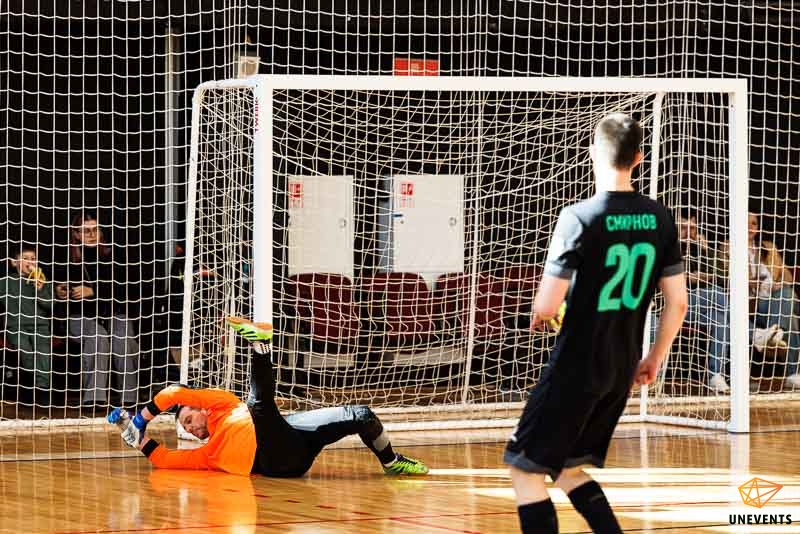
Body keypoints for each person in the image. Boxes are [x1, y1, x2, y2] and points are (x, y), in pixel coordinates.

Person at [504, 113, 688, 533]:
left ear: (592, 153)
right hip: (620, 367)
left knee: (524, 469)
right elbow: (678, 303)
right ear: (638, 158)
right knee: (568, 469)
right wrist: (653, 358)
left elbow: (546, 306)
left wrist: (542, 312)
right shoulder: (660, 218)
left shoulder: (580, 216)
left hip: (576, 366)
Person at [115, 317, 430, 478]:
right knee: (259, 407)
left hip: (290, 436)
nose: (191, 429)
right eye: (186, 429)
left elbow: (174, 393)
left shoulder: (226, 405)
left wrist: (141, 418)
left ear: (202, 409)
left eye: (188, 419)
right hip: (272, 461)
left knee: (361, 415)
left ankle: (392, 463)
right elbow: (164, 459)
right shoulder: (208, 455)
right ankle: (261, 347)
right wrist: (133, 434)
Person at [677, 214, 789, 392]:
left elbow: (721, 277)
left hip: (702, 306)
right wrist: (688, 278)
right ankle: (756, 334)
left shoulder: (700, 250)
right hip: (673, 306)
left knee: (720, 319)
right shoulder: (668, 248)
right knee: (717, 293)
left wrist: (707, 251)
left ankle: (715, 374)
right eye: (684, 228)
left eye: (692, 228)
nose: (688, 232)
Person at [55, 211, 139, 410]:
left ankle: (129, 398)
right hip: (79, 317)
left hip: (112, 314)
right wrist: (59, 291)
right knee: (98, 336)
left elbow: (124, 289)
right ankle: (94, 398)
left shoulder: (115, 255)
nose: (92, 235)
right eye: (86, 231)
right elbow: (56, 289)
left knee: (123, 336)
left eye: (95, 229)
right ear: (76, 234)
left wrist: (92, 291)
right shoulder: (65, 259)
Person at [740, 213, 800, 388]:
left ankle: (775, 332)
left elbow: (788, 276)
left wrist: (779, 283)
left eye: (754, 223)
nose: (750, 227)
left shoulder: (769, 248)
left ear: (758, 227)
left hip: (776, 299)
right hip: (752, 303)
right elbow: (724, 279)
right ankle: (792, 372)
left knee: (786, 294)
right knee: (790, 313)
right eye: (746, 223)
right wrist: (749, 283)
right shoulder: (729, 247)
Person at [0, 242, 54, 399]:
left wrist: (40, 289)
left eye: (33, 258)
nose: (30, 262)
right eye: (25, 258)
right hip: (16, 326)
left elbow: (50, 305)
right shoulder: (5, 282)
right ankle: (32, 384)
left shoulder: (43, 281)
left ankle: (42, 389)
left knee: (43, 353)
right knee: (25, 351)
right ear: (14, 262)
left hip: (40, 326)